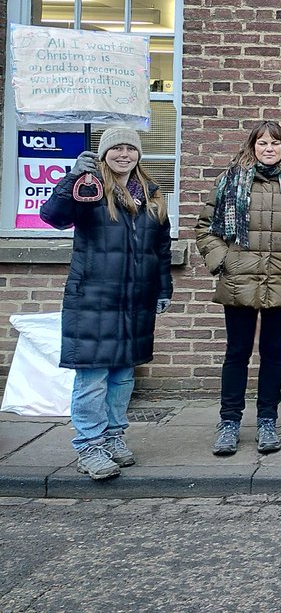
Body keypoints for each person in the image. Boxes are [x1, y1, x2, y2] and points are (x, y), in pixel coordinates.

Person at [40, 128, 172, 481]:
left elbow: (160, 249)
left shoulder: (152, 194)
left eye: (130, 148)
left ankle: (114, 436)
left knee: (122, 376)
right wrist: (72, 178)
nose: (124, 154)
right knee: (92, 376)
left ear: (139, 154)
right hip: (94, 298)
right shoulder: (89, 187)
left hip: (135, 300)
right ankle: (89, 445)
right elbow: (53, 216)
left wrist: (163, 290)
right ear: (104, 153)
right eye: (116, 148)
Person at [197, 121, 281, 457]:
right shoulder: (230, 181)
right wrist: (224, 260)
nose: (268, 149)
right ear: (252, 146)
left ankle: (267, 420)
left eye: (275, 144)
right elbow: (205, 228)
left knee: (273, 354)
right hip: (240, 279)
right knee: (237, 353)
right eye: (262, 143)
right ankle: (229, 422)